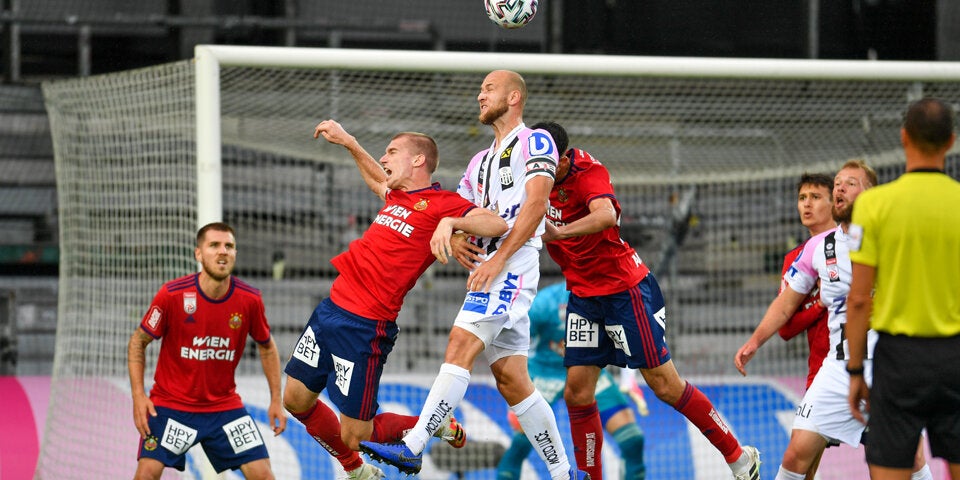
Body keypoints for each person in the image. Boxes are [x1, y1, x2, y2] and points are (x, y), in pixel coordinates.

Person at [478, 121, 755, 480]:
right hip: (582, 296)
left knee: (664, 386)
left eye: (544, 162)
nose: (535, 168)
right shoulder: (528, 175)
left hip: (624, 290)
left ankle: (738, 456)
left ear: (563, 161)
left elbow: (607, 215)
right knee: (577, 393)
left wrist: (561, 233)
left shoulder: (587, 171)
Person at [359, 71, 589, 480]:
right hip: (492, 267)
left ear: (513, 97)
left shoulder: (536, 141)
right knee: (512, 380)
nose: (480, 95)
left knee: (460, 343)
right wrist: (456, 230)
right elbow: (461, 212)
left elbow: (536, 206)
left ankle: (413, 446)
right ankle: (563, 473)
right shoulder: (479, 161)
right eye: (480, 89)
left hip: (511, 265)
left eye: (489, 89)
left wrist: (498, 260)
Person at [282, 121, 509, 480]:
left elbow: (497, 224)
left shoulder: (442, 204)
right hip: (329, 311)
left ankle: (430, 423)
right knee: (294, 399)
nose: (384, 158)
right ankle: (356, 470)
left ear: (418, 159)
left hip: (363, 328)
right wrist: (349, 142)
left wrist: (450, 224)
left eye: (391, 152)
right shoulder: (397, 196)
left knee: (355, 436)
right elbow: (377, 179)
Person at [734, 160, 933, 480]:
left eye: (850, 183)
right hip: (837, 368)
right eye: (838, 182)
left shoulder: (895, 237)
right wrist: (754, 342)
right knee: (796, 454)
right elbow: (786, 305)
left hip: (889, 367)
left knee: (908, 459)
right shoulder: (819, 247)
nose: (840, 187)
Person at [846, 97, 960, 480]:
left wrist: (855, 370)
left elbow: (859, 299)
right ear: (951, 141)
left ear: (904, 137)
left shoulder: (873, 205)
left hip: (899, 361)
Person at [127, 222, 286, 480]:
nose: (223, 251)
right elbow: (138, 341)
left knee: (263, 475)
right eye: (214, 245)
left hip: (223, 408)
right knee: (147, 473)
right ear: (198, 254)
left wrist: (276, 400)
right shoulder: (172, 294)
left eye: (229, 246)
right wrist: (138, 396)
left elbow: (267, 347)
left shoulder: (249, 299)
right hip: (171, 406)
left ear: (235, 253)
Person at [496, 281, 647, 480]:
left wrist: (629, 379)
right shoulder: (545, 303)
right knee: (521, 443)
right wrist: (514, 400)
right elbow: (510, 345)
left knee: (632, 439)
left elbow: (625, 336)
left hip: (590, 371)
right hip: (545, 373)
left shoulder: (608, 296)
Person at [777, 173, 834, 392]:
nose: (807, 204)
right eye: (802, 198)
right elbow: (785, 329)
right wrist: (819, 305)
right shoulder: (794, 259)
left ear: (834, 203)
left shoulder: (855, 245)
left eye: (815, 197)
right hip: (821, 375)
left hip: (868, 369)